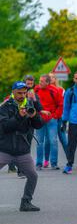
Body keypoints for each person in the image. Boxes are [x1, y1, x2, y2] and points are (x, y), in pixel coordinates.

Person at [0, 81, 44, 212]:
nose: (22, 95)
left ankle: (26, 202)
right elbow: (4, 127)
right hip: (5, 149)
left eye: (24, 92)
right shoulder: (5, 107)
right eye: (19, 93)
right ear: (13, 92)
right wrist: (19, 116)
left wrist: (34, 116)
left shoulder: (30, 105)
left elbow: (39, 125)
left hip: (22, 151)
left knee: (33, 175)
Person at [34, 74, 63, 170]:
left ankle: (54, 163)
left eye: (42, 81)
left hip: (51, 120)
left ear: (47, 82)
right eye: (39, 80)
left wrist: (55, 116)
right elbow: (32, 102)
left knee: (53, 141)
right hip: (39, 120)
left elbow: (60, 105)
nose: (39, 83)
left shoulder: (54, 90)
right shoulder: (36, 90)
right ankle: (39, 164)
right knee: (39, 142)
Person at [48, 72, 68, 161]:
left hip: (60, 117)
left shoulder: (61, 90)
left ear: (55, 79)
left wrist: (64, 118)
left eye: (53, 77)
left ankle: (70, 158)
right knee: (51, 140)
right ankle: (49, 161)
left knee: (63, 138)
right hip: (50, 117)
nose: (51, 79)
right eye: (49, 77)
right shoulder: (44, 89)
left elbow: (65, 104)